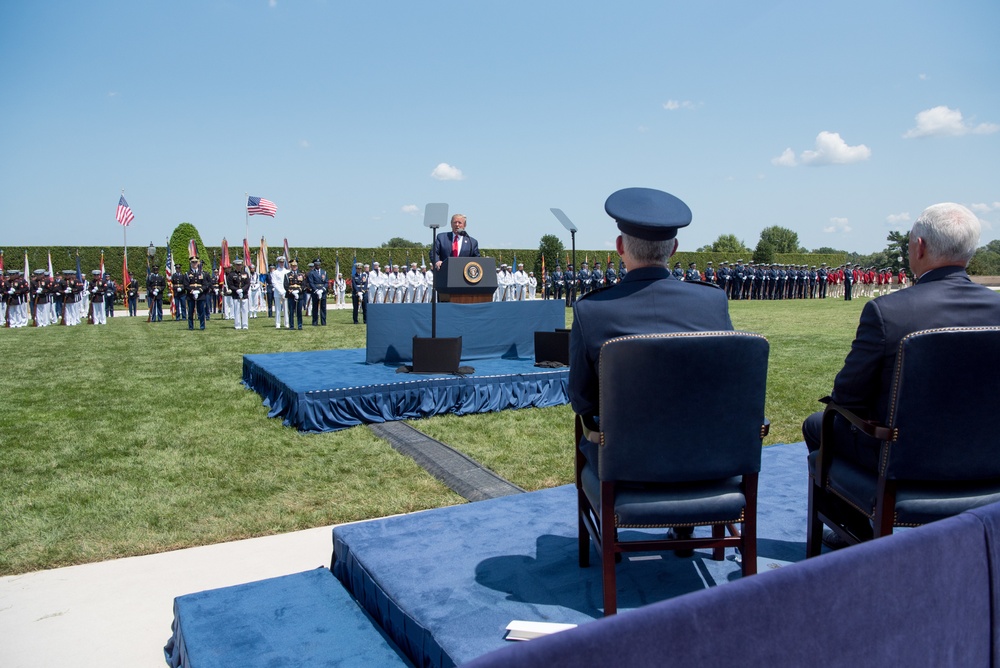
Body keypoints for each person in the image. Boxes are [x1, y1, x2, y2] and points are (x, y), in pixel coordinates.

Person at [802, 203, 1000, 481]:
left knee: (816, 424)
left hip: (905, 454)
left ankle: (852, 518)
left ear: (919, 247)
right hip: (988, 450)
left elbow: (848, 396)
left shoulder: (888, 311)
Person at [570, 187, 733, 464]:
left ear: (620, 247)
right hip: (706, 459)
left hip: (626, 465)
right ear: (674, 248)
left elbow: (582, 401)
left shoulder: (592, 310)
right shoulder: (713, 300)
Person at [226, 257, 251, 330]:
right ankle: (237, 324)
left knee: (245, 310)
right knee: (236, 310)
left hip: (244, 294)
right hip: (236, 294)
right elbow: (230, 284)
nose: (239, 266)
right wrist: (237, 290)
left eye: (240, 265)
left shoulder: (245, 273)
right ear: (235, 265)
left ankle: (245, 324)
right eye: (237, 265)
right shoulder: (231, 274)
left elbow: (247, 283)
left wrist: (242, 290)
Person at [185, 257, 210, 330]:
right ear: (191, 263)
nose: (194, 264)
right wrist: (192, 291)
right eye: (193, 262)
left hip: (200, 295)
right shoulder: (187, 274)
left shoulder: (202, 273)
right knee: (190, 312)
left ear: (198, 263)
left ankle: (202, 326)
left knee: (201, 311)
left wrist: (199, 290)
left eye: (196, 262)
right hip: (191, 295)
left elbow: (205, 285)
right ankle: (190, 326)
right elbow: (186, 285)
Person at [284, 259, 306, 330]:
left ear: (297, 266)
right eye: (293, 266)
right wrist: (292, 292)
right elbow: (286, 285)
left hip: (300, 295)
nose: (294, 267)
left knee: (299, 310)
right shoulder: (287, 275)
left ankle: (300, 325)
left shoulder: (301, 275)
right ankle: (291, 326)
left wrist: (298, 291)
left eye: (295, 265)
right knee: (291, 311)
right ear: (291, 266)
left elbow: (304, 285)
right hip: (291, 295)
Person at [270, 256, 290, 328]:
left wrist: (285, 291)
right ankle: (278, 323)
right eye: (280, 262)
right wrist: (280, 291)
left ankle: (286, 323)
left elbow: (288, 283)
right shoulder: (274, 272)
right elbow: (274, 283)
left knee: (286, 309)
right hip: (277, 293)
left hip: (285, 292)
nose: (282, 263)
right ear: (278, 262)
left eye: (283, 262)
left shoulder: (287, 272)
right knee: (278, 309)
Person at [308, 258, 328, 325]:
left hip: (323, 291)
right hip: (315, 291)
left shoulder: (324, 272)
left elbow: (326, 282)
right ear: (314, 264)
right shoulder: (311, 273)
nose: (318, 265)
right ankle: (315, 322)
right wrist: (316, 290)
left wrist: (322, 289)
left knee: (323, 307)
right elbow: (311, 283)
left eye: (319, 264)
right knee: (315, 307)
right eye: (316, 264)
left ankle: (323, 322)